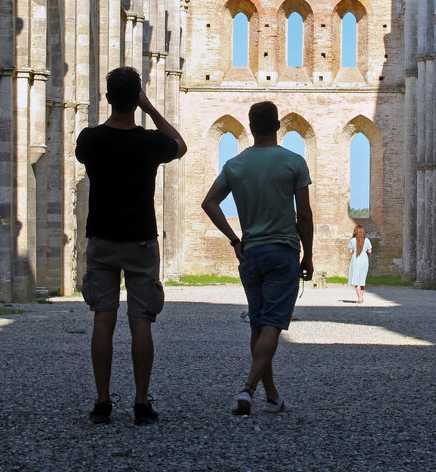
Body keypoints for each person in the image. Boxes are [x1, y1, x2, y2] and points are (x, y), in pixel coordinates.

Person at [76, 67, 187, 426]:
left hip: (103, 239)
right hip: (140, 238)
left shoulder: (90, 140)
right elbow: (180, 145)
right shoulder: (150, 142)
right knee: (141, 322)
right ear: (136, 98)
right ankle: (141, 403)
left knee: (103, 319)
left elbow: (82, 156)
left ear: (108, 97)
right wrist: (151, 109)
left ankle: (102, 401)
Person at [201, 101, 314, 416]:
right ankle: (248, 389)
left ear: (250, 128)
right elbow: (304, 215)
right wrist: (309, 255)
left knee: (258, 324)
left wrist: (233, 239)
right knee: (272, 325)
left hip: (250, 253)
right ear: (277, 126)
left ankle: (273, 396)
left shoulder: (235, 165)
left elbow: (209, 203)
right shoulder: (293, 162)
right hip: (282, 252)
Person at [347, 225, 372, 304]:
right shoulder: (367, 240)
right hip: (364, 259)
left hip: (356, 259)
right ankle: (361, 297)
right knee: (362, 279)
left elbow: (350, 251)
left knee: (356, 280)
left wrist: (353, 250)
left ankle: (359, 298)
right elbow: (370, 251)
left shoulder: (353, 240)